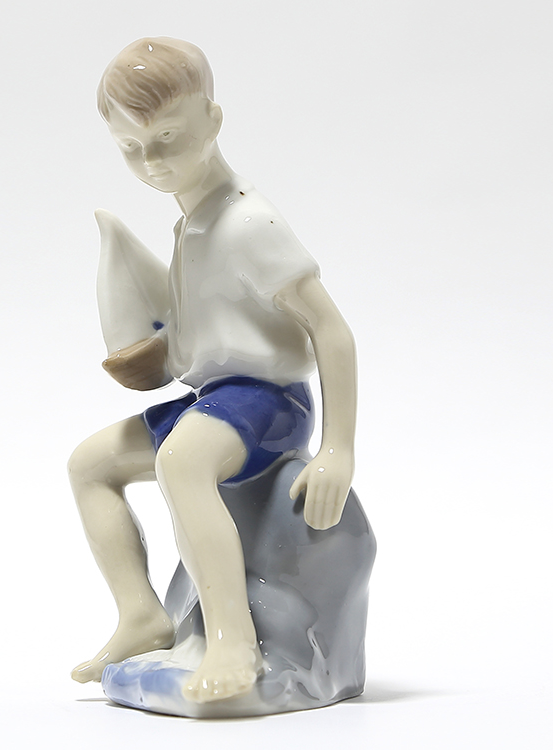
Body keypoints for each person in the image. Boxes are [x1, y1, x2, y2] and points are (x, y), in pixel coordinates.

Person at [68, 37, 358, 704]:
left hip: (270, 401)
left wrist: (338, 449)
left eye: (168, 137)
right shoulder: (190, 224)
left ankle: (233, 641)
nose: (152, 161)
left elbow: (331, 330)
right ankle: (141, 615)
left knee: (181, 462)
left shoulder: (248, 221)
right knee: (89, 465)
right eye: (132, 147)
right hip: (215, 397)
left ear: (213, 119)